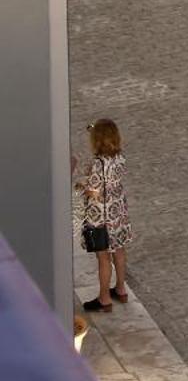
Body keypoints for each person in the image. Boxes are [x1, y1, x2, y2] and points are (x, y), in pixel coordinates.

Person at [77, 118, 132, 313]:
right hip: (118, 215)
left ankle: (104, 298)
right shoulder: (119, 157)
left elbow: (94, 190)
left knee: (103, 258)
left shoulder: (98, 164)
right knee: (119, 251)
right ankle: (121, 289)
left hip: (101, 218)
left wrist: (81, 186)